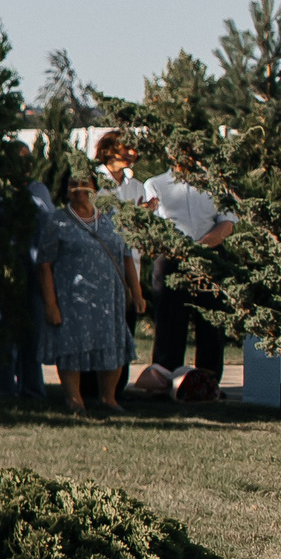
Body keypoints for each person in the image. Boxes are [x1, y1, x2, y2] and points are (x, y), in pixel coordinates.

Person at [37, 165, 145, 413]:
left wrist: (136, 292)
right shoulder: (58, 221)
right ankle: (74, 398)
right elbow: (44, 264)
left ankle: (108, 398)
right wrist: (51, 304)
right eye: (73, 185)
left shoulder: (111, 218)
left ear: (96, 188)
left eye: (85, 184)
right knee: (72, 347)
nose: (79, 190)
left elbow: (126, 255)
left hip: (111, 298)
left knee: (112, 345)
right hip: (73, 300)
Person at [142, 146, 236, 399]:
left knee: (212, 322)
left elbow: (227, 223)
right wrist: (180, 250)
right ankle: (165, 382)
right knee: (170, 320)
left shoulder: (215, 185)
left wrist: (201, 248)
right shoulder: (156, 184)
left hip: (211, 257)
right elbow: (152, 223)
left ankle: (208, 384)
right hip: (172, 258)